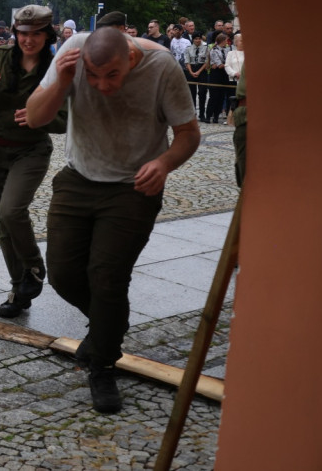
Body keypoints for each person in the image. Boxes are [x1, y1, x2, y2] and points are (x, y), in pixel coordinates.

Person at [25, 26, 199, 413]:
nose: (102, 85)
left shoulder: (161, 66)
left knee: (107, 277)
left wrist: (164, 163)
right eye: (93, 75)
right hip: (78, 178)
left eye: (112, 75)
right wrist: (64, 81)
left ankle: (103, 363)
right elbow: (35, 117)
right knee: (63, 274)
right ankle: (111, 324)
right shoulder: (73, 52)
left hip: (132, 188)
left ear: (131, 59)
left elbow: (188, 133)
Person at [0, 5, 66, 319]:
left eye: (36, 34)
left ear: (47, 36)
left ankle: (34, 267)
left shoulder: (56, 69)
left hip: (30, 151)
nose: (28, 40)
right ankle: (19, 291)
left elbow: (65, 119)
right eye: (23, 33)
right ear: (15, 33)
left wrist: (38, 118)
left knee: (11, 210)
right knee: (3, 223)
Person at [204, 32, 230, 123]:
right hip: (215, 75)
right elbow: (219, 65)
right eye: (226, 40)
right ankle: (208, 116)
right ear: (222, 41)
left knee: (221, 97)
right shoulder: (214, 50)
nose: (227, 42)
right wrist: (228, 64)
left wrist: (225, 64)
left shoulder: (226, 50)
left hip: (224, 75)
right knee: (213, 97)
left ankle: (216, 116)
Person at [184, 32, 209, 120]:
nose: (198, 40)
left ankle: (202, 114)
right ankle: (192, 113)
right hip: (191, 69)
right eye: (196, 39)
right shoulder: (188, 48)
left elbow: (206, 62)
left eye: (199, 39)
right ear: (193, 39)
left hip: (201, 70)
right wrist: (191, 72)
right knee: (192, 93)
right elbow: (187, 61)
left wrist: (199, 71)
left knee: (202, 92)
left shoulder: (206, 48)